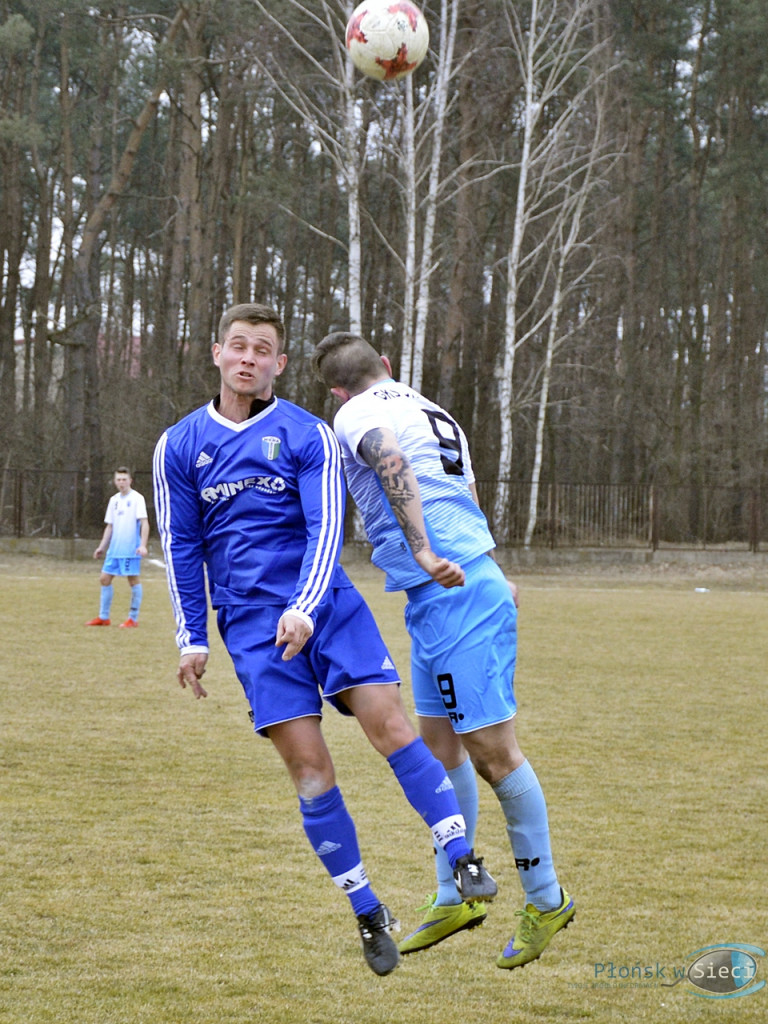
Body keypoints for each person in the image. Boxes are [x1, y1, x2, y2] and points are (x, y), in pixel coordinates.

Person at [151, 302, 496, 977]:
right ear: (217, 353)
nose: (248, 358)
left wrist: (306, 607)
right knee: (310, 771)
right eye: (239, 346)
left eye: (263, 350)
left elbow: (326, 527)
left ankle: (462, 857)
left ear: (279, 365)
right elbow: (182, 545)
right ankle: (368, 910)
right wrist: (191, 637)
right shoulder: (179, 444)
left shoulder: (309, 433)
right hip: (252, 626)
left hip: (328, 605)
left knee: (389, 725)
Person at [313, 331, 575, 970]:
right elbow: (465, 491)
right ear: (387, 365)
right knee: (440, 748)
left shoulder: (357, 414)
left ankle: (547, 899)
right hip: (442, 596)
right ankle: (453, 894)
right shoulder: (430, 408)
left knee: (494, 754)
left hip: (454, 595)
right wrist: (489, 563)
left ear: (337, 392)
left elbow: (390, 460)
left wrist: (426, 551)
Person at [85, 467, 149, 628]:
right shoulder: (113, 500)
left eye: (124, 479)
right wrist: (101, 547)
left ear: (130, 481)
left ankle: (133, 618)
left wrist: (142, 545)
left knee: (133, 580)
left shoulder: (137, 498)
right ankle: (104, 617)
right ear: (115, 481)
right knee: (104, 579)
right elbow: (110, 526)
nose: (121, 482)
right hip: (114, 550)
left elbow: (144, 523)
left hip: (130, 549)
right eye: (119, 480)